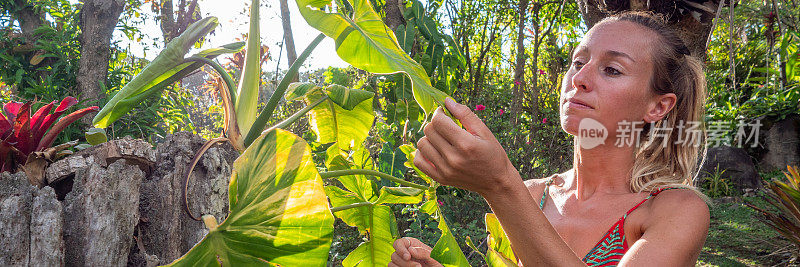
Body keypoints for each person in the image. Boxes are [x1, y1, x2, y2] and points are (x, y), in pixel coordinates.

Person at [390, 11, 711, 267]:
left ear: (657, 106)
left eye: (612, 69)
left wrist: (500, 184)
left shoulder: (675, 210)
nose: (579, 79)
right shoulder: (531, 195)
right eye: (578, 62)